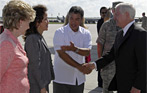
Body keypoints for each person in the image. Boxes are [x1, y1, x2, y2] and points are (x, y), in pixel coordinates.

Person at [85, 3, 146, 93]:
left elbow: (144, 65)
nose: (114, 18)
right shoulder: (120, 34)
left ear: (127, 15)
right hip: (122, 85)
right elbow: (111, 55)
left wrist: (138, 86)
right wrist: (94, 64)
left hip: (134, 88)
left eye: (116, 14)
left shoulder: (140, 34)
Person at [53, 6, 92, 93]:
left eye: (77, 19)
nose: (73, 22)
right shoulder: (60, 32)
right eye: (71, 18)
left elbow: (87, 52)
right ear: (68, 17)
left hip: (78, 79)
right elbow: (62, 54)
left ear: (81, 19)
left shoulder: (86, 33)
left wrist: (75, 49)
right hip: (61, 78)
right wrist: (80, 67)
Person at [0, 0, 35, 93]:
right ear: (20, 21)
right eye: (28, 22)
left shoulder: (12, 39)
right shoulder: (7, 44)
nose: (28, 26)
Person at [24, 5, 54, 93]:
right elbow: (35, 66)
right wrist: (42, 87)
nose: (48, 22)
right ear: (37, 22)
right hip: (37, 87)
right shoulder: (32, 39)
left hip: (42, 84)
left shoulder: (39, 37)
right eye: (45, 19)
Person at [96, 2, 122, 93]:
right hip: (108, 65)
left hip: (123, 65)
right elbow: (100, 44)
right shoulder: (106, 25)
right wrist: (101, 62)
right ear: (113, 11)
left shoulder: (126, 25)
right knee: (107, 89)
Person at [96, 6, 107, 88]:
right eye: (103, 13)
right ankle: (100, 82)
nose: (104, 14)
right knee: (101, 63)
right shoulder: (100, 22)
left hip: (107, 46)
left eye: (106, 12)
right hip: (102, 46)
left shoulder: (109, 22)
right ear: (100, 14)